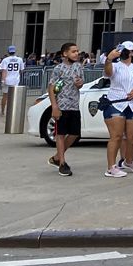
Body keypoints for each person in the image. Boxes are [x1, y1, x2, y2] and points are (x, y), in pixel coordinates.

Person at [103, 41, 133, 178]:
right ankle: (111, 167)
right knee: (116, 136)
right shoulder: (116, 66)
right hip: (116, 103)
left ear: (132, 52)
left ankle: (129, 160)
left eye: (126, 51)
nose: (123, 53)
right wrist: (109, 59)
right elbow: (108, 73)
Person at [46, 42, 84, 177]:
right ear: (65, 53)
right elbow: (51, 87)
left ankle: (57, 156)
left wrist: (80, 84)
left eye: (77, 51)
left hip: (74, 105)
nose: (76, 53)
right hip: (62, 105)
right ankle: (62, 162)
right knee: (60, 134)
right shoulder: (59, 69)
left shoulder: (79, 67)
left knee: (74, 133)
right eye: (73, 51)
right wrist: (54, 106)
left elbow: (80, 83)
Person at [0, 46, 24, 116]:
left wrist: (2, 80)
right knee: (14, 96)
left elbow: (4, 70)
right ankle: (13, 111)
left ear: (8, 52)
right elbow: (21, 70)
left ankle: (3, 111)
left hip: (7, 80)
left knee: (5, 96)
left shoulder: (5, 60)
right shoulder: (19, 59)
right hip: (15, 80)